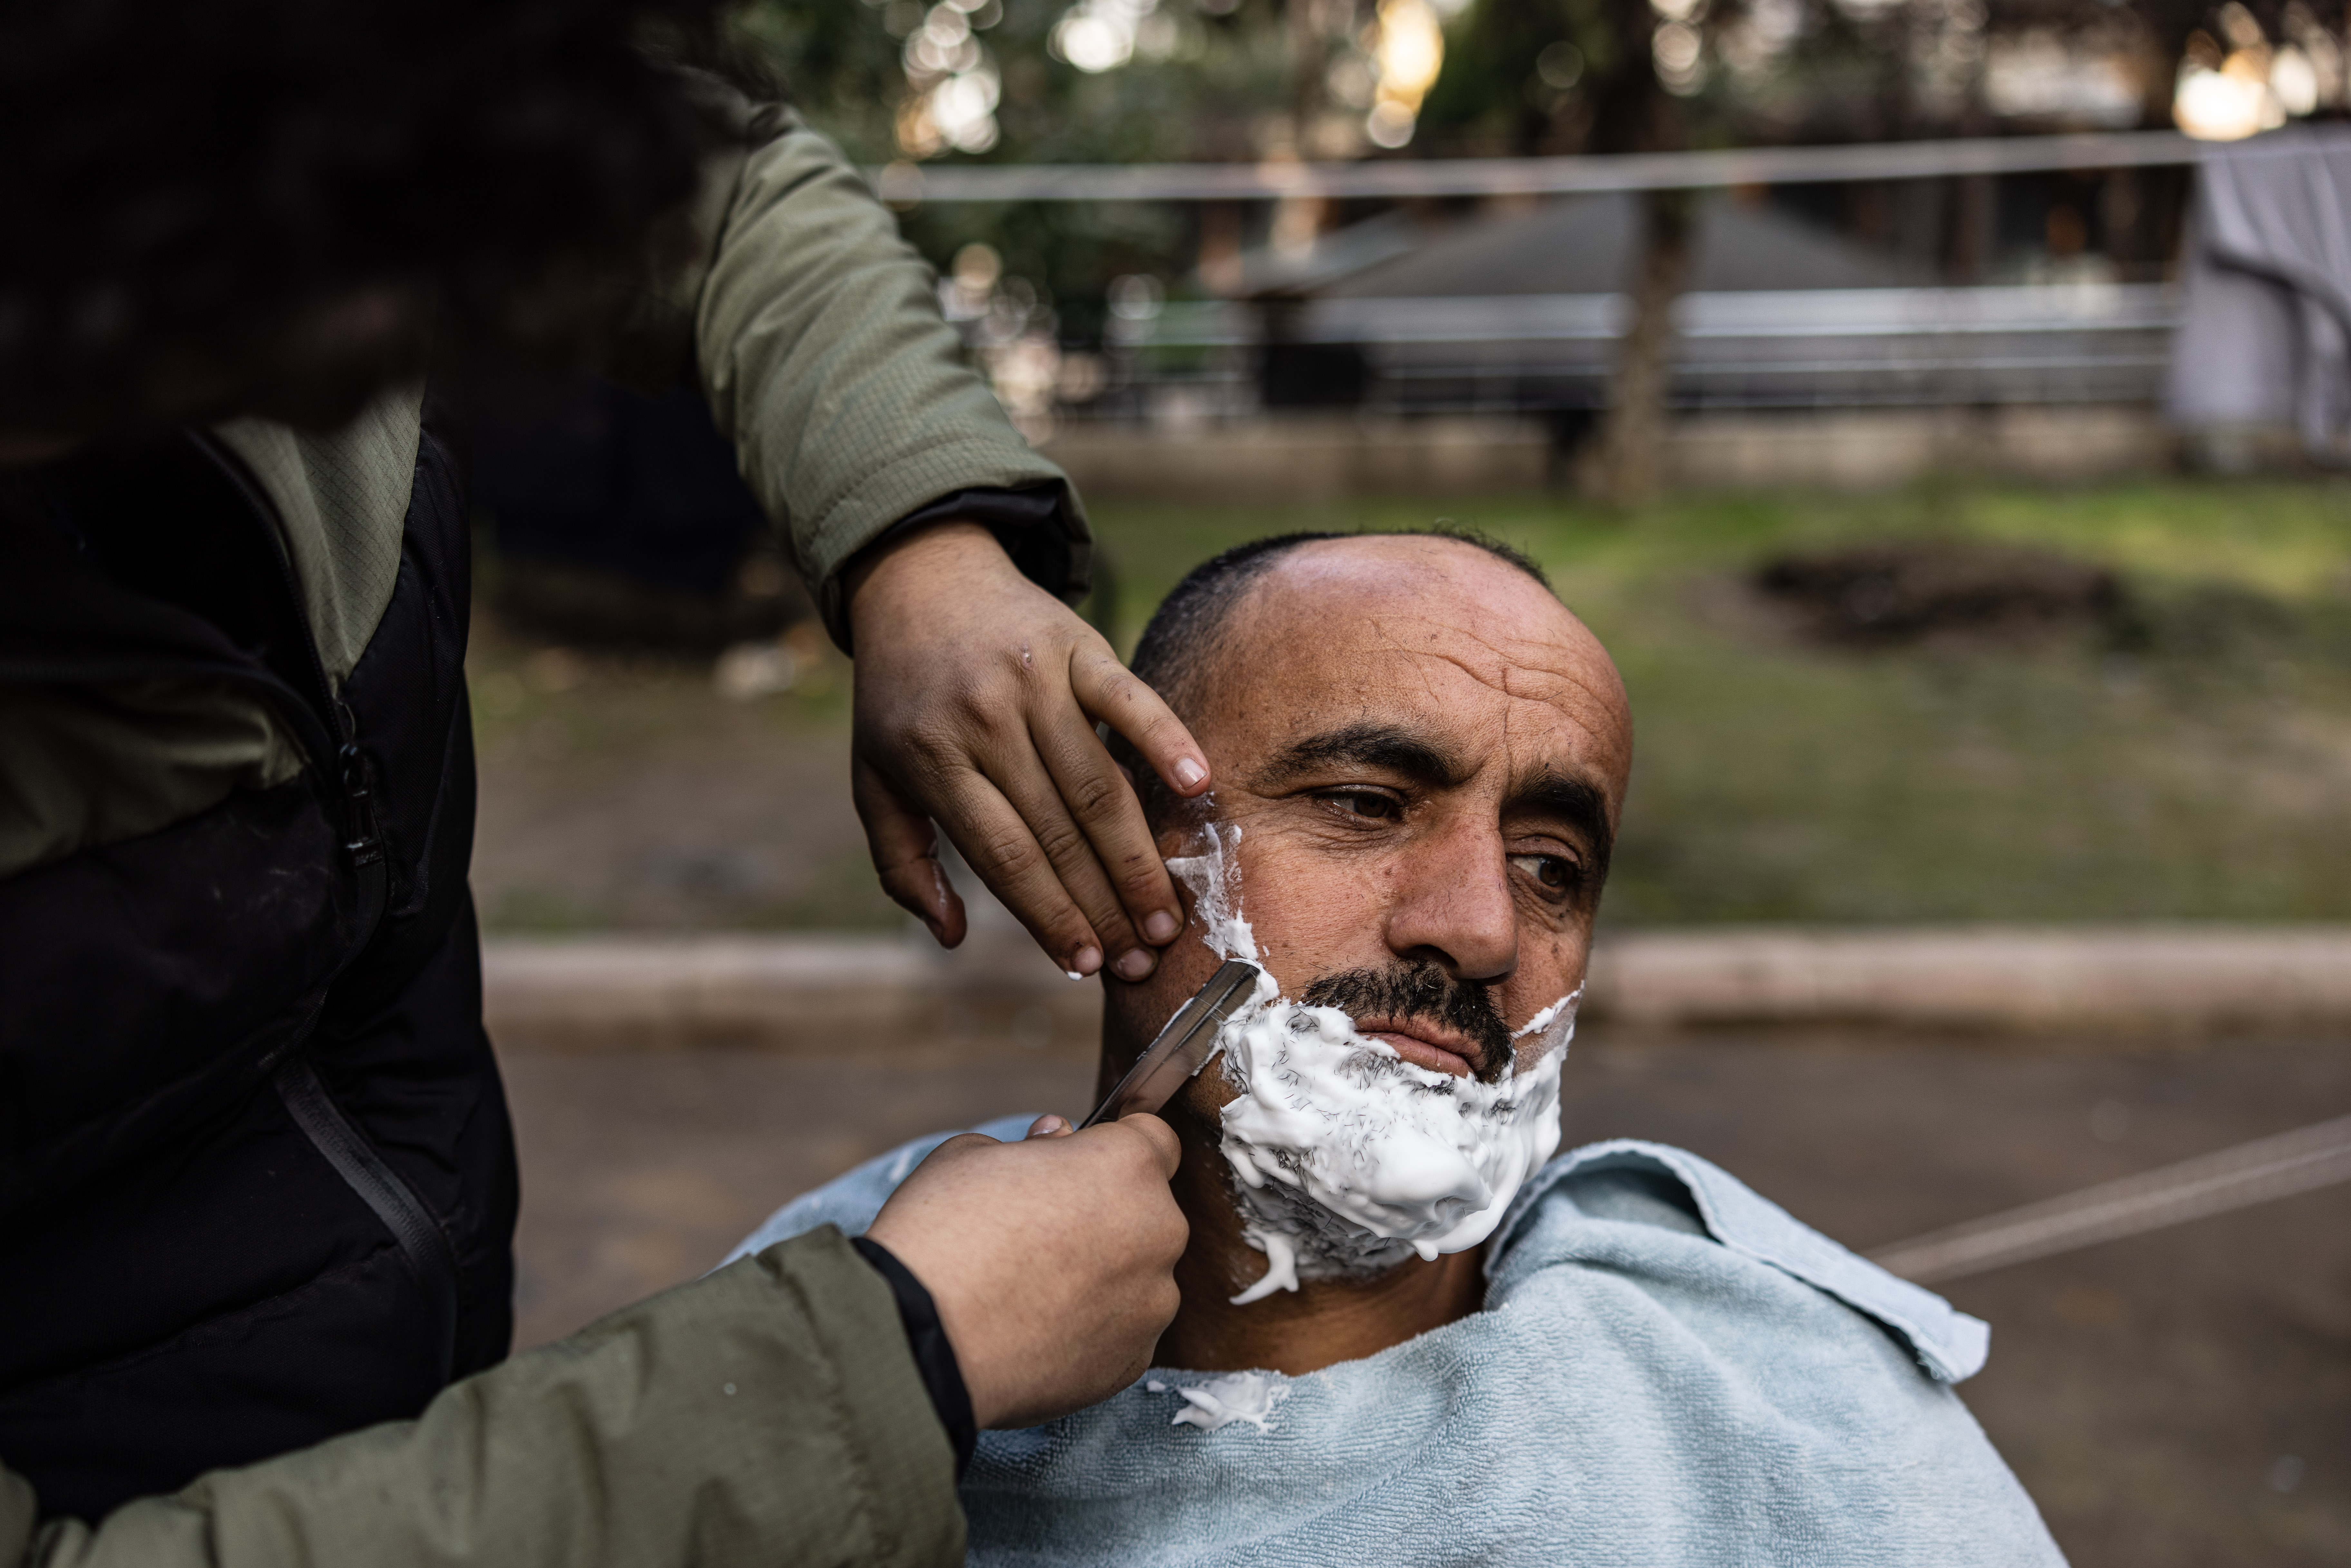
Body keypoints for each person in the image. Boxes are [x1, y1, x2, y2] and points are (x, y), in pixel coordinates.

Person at [2, 1, 1201, 1562]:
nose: (363, 381)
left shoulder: (327, 150)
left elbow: (719, 188)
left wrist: (920, 533)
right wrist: (879, 1362)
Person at [734, 530, 2070, 1566]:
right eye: (1366, 805)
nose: (1482, 926)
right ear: (1107, 831)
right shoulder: (822, 1325)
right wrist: (900, 1346)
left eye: (1550, 865)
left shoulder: (1796, 1423)